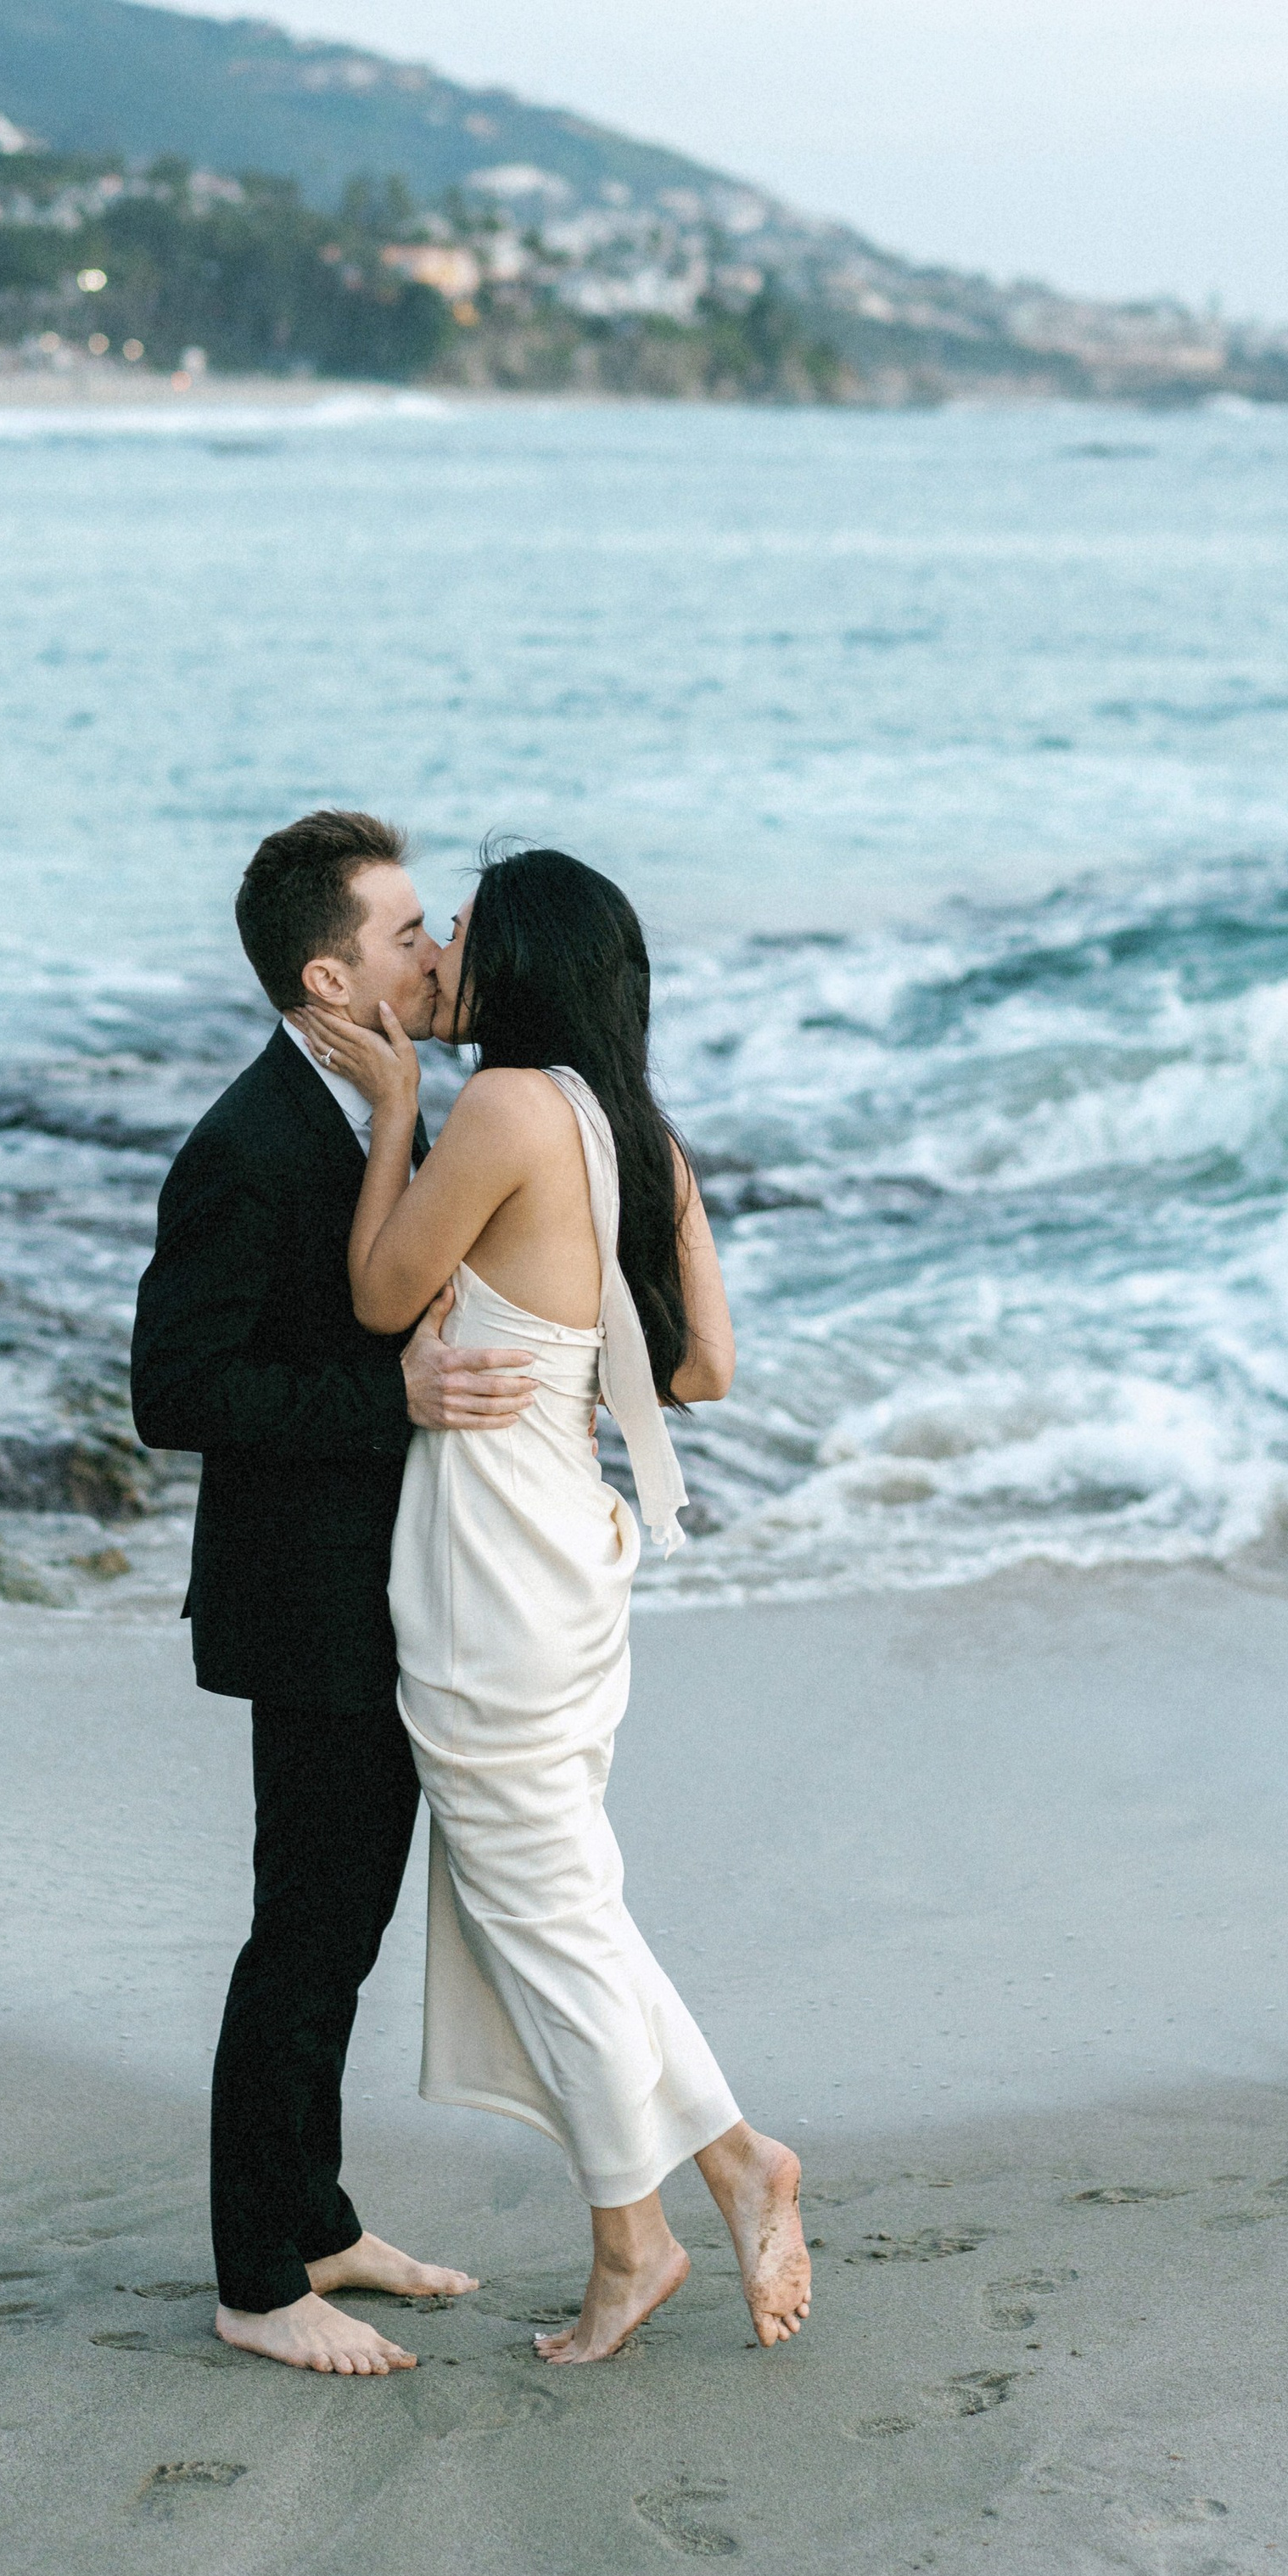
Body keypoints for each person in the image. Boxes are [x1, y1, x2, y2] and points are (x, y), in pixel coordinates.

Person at [311, 845, 811, 2364]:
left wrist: (397, 1113)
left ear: (521, 961)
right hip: (576, 1549)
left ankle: (633, 2240)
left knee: (548, 1917)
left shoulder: (507, 1106)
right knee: (565, 1901)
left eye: (458, 933)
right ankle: (733, 2159)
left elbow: (383, 1297)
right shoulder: (630, 1133)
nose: (439, 956)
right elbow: (703, 1369)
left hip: (493, 1567)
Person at [130, 809, 536, 2378]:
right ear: (328, 972)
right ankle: (253, 2279)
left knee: (342, 1927)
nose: (437, 952)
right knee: (300, 1938)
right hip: (304, 1606)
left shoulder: (373, 1104)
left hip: (374, 1591)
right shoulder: (245, 1146)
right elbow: (176, 1392)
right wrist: (398, 1408)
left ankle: (317, 2223)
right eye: (408, 933)